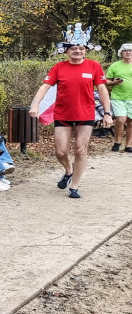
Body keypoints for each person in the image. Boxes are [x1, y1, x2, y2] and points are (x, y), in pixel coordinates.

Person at [31, 39, 113, 198]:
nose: (78, 51)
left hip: (85, 113)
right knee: (60, 152)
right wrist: (35, 105)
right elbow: (45, 87)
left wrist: (107, 113)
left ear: (85, 51)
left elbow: (102, 89)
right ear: (66, 51)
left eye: (81, 48)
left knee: (80, 150)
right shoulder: (59, 67)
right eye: (74, 48)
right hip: (63, 114)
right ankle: (69, 170)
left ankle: (74, 187)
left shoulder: (93, 66)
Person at [105, 43, 132, 152]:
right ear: (121, 53)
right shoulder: (115, 66)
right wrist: (114, 82)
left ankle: (129, 145)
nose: (128, 52)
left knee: (131, 121)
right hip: (118, 97)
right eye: (126, 51)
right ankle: (117, 141)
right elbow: (106, 81)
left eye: (130, 50)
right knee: (120, 120)